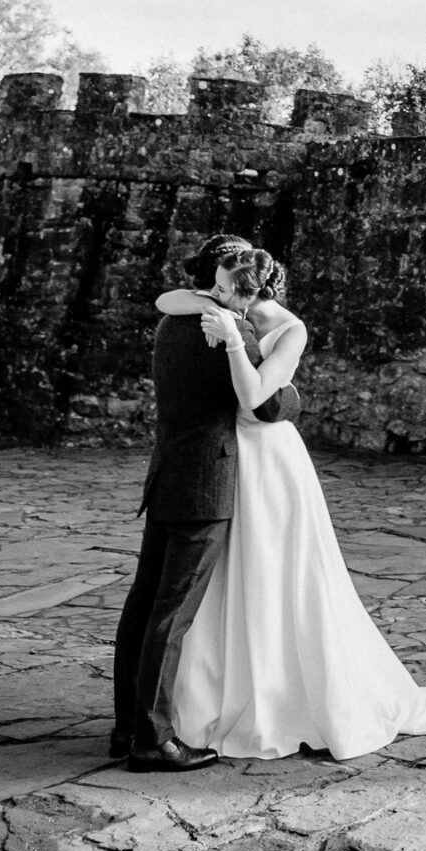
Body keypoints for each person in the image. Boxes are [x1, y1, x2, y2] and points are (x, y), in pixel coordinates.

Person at [154, 244, 426, 760]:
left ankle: (282, 696)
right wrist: (218, 307)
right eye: (217, 285)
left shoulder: (290, 331)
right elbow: (170, 299)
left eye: (225, 288)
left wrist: (230, 342)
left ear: (254, 294)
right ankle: (211, 694)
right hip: (229, 461)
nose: (214, 293)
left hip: (269, 462)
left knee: (278, 574)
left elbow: (255, 399)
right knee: (229, 578)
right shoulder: (225, 304)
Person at [111, 233, 293, 771]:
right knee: (171, 616)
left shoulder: (172, 323)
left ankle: (125, 729)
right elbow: (271, 404)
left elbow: (172, 301)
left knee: (142, 608)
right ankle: (154, 740)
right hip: (207, 483)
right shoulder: (232, 333)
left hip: (166, 476)